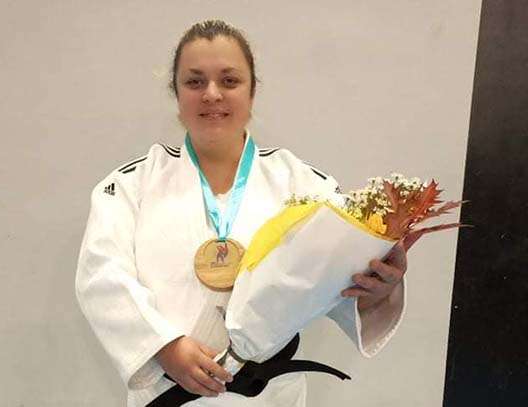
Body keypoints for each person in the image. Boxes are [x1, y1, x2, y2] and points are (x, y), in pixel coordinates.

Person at [75, 19, 408, 407]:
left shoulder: (304, 184)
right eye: (195, 82)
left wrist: (376, 290)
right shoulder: (130, 186)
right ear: (176, 93)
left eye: (229, 81)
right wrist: (163, 346)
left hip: (270, 397)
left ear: (252, 92)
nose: (212, 94)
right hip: (166, 394)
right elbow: (102, 276)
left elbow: (337, 287)